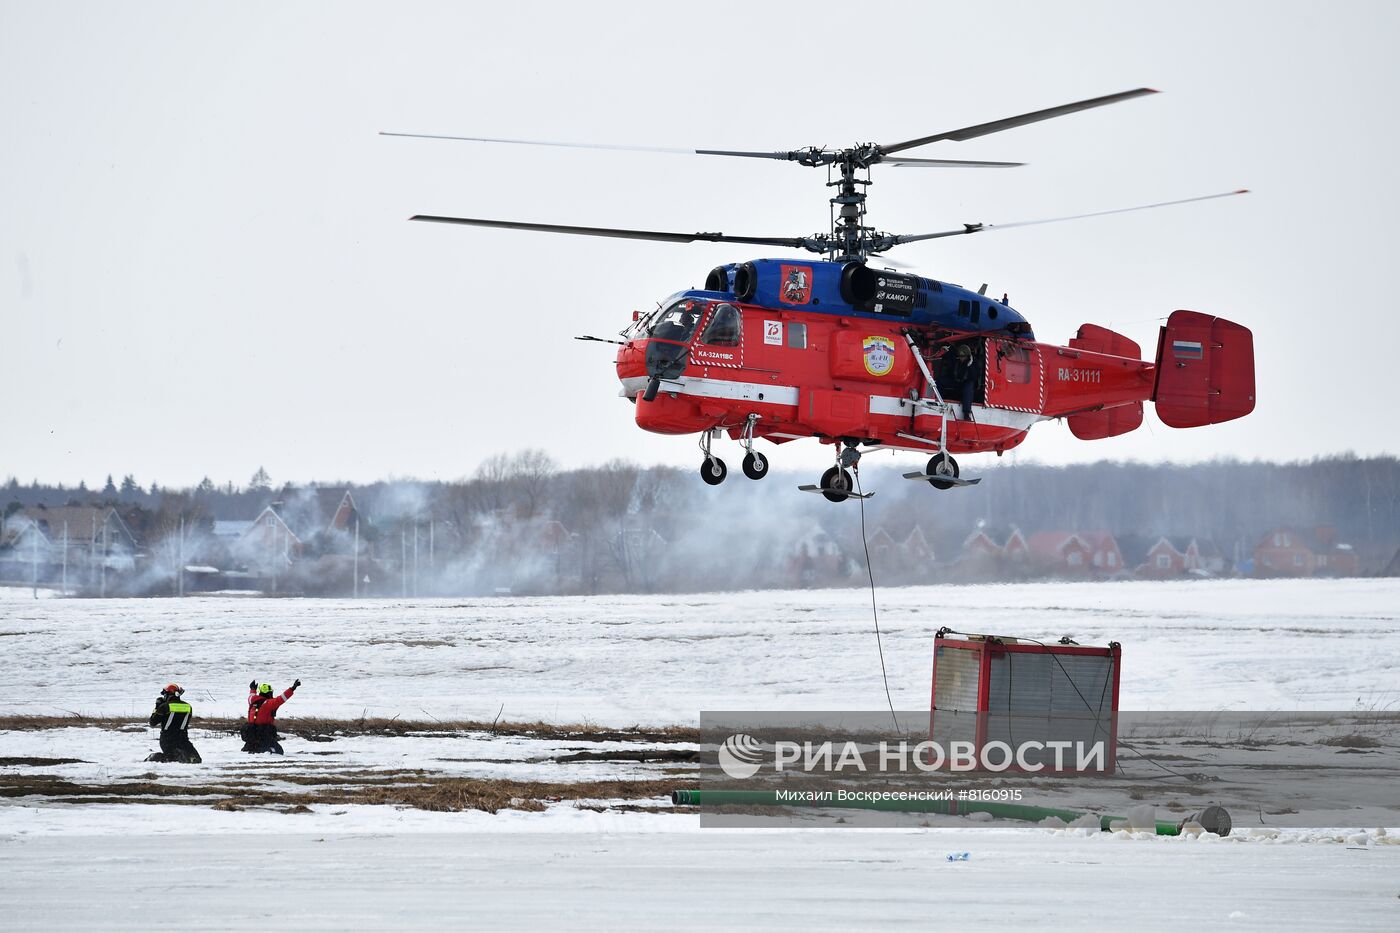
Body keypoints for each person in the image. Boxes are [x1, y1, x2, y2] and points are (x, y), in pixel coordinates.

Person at [241, 679, 300, 754]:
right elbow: (282, 698)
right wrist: (292, 688)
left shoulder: (252, 700)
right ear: (269, 693)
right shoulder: (268, 703)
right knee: (279, 752)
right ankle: (263, 751)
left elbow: (251, 695)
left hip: (251, 735)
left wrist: (252, 689)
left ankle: (251, 749)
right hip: (263, 735)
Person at [146, 683, 201, 763]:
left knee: (172, 759)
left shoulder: (165, 706)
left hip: (167, 740)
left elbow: (152, 722)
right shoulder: (188, 707)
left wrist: (157, 707)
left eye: (165, 695)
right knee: (195, 760)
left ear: (168, 694)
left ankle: (153, 758)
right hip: (183, 739)